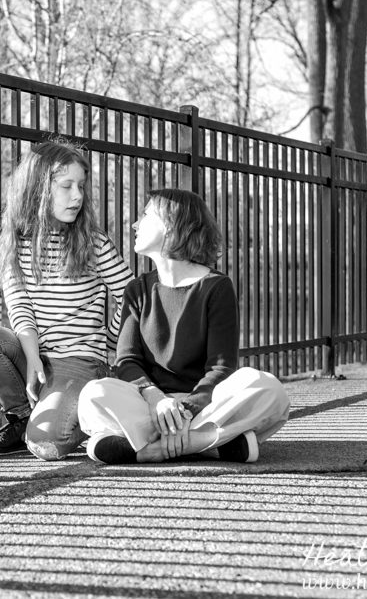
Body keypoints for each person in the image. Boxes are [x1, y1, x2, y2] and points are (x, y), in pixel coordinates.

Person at [78, 188, 290, 464]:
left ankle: (151, 449)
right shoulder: (137, 289)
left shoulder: (216, 287)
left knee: (267, 388)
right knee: (94, 394)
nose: (135, 224)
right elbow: (127, 361)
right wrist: (156, 399)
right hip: (148, 404)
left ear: (170, 225)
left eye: (144, 215)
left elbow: (221, 369)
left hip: (205, 404)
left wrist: (185, 410)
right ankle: (214, 444)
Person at [0, 141, 134, 460]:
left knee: (47, 444)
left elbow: (132, 293)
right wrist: (31, 359)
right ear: (38, 188)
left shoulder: (93, 242)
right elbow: (19, 307)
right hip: (36, 354)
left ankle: (81, 415)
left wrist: (111, 343)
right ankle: (22, 418)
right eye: (66, 186)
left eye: (81, 186)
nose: (77, 196)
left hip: (81, 360)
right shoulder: (14, 241)